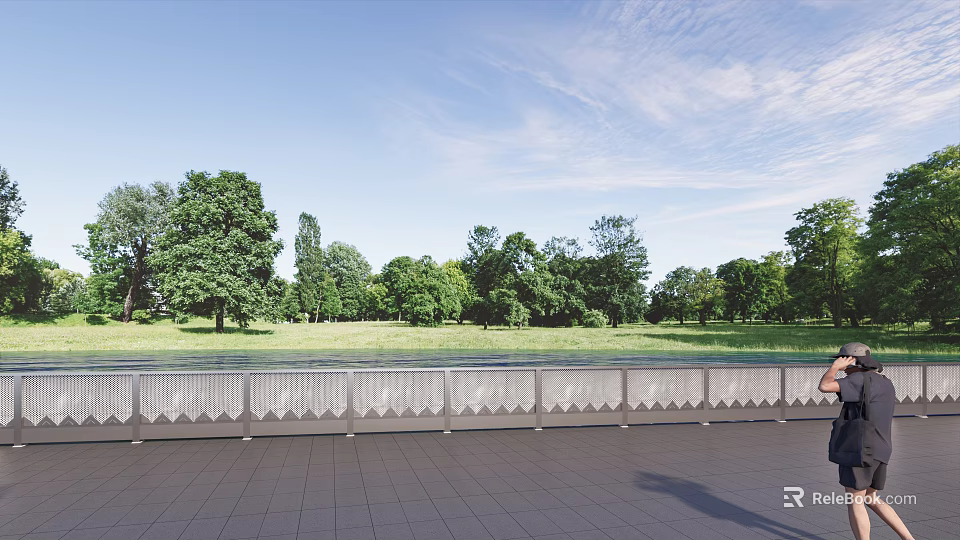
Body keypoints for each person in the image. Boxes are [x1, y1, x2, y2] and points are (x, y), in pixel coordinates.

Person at [818, 342, 914, 540]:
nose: (843, 367)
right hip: (882, 448)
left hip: (861, 449)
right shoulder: (885, 381)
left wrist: (834, 368)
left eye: (843, 361)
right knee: (871, 497)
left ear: (852, 361)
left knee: (855, 499)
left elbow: (825, 386)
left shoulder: (858, 380)